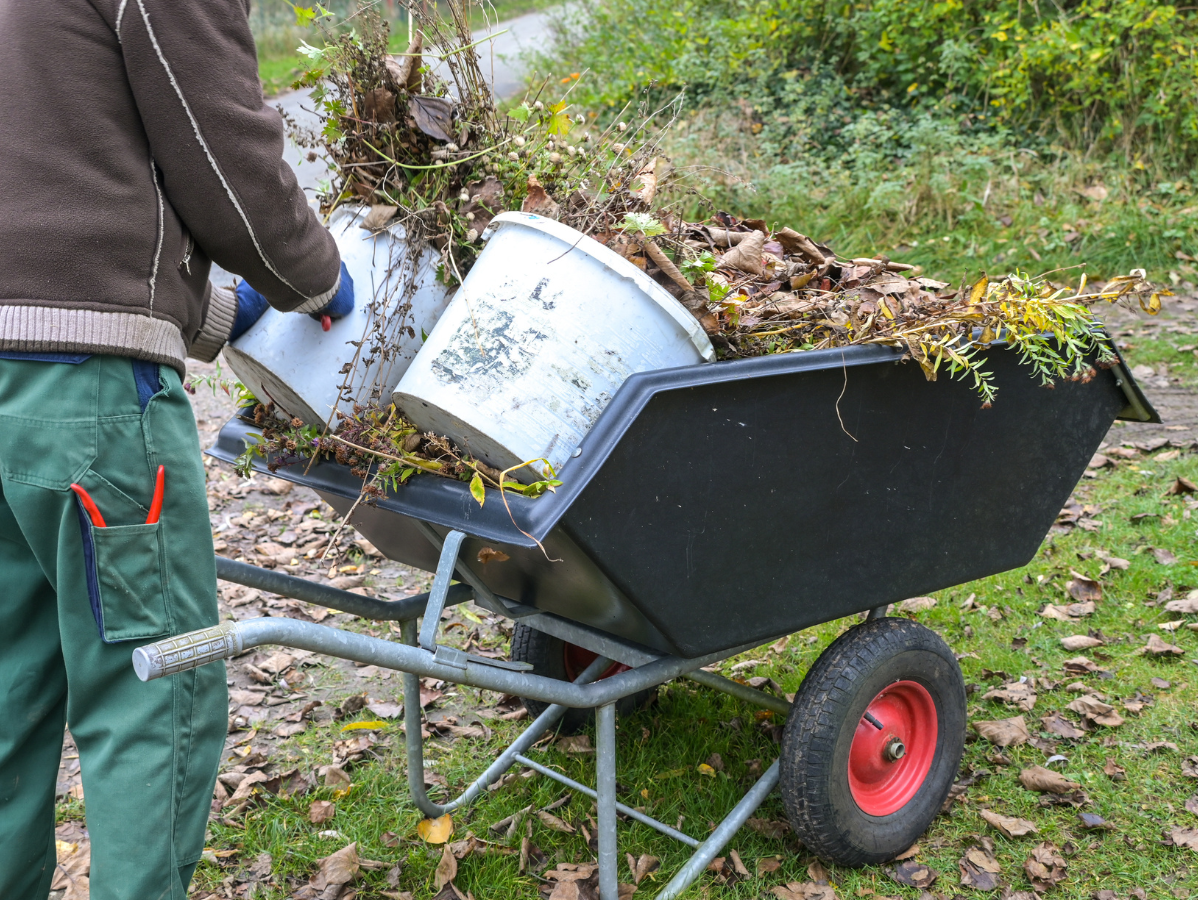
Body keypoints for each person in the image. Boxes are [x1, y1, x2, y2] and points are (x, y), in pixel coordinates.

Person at [0, 2, 353, 897]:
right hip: (85, 402)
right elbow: (220, 149)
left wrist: (223, 311)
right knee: (153, 687)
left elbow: (57, 154)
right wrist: (308, 273)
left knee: (6, 688)